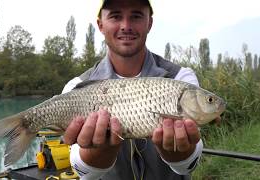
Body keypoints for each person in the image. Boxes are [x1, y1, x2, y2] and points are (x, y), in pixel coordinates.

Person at [62, 0, 203, 179]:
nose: (126, 26)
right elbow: (82, 172)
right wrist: (101, 151)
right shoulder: (75, 87)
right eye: (115, 16)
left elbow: (188, 165)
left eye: (136, 16)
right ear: (100, 25)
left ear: (149, 23)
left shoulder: (180, 78)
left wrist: (177, 152)